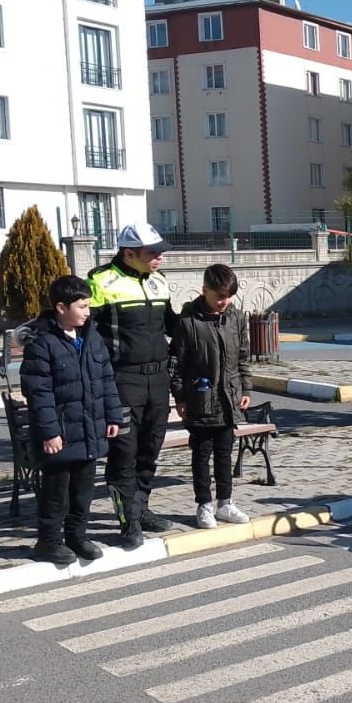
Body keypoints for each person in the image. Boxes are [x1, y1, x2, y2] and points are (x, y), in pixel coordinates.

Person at [18, 275, 123, 566]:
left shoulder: (91, 337)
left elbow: (106, 380)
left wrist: (113, 416)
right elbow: (38, 393)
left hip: (90, 431)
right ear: (61, 308)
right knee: (57, 493)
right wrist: (51, 433)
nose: (88, 312)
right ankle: (49, 542)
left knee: (83, 491)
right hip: (61, 434)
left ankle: (77, 536)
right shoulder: (42, 342)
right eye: (82, 306)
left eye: (88, 305)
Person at [88, 222, 179, 549]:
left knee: (149, 450)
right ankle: (127, 522)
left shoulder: (159, 282)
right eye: (152, 252)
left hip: (157, 380)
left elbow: (173, 325)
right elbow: (88, 336)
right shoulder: (100, 281)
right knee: (123, 453)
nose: (160, 257)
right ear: (129, 253)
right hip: (122, 379)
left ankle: (141, 509)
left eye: (160, 251)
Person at [170, 264, 254, 529]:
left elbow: (243, 357)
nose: (224, 302)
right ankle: (204, 505)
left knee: (224, 453)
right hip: (200, 400)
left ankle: (225, 502)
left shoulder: (237, 318)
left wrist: (246, 389)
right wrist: (181, 396)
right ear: (204, 290)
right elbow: (176, 364)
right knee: (201, 455)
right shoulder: (188, 321)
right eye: (219, 296)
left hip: (229, 399)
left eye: (228, 296)